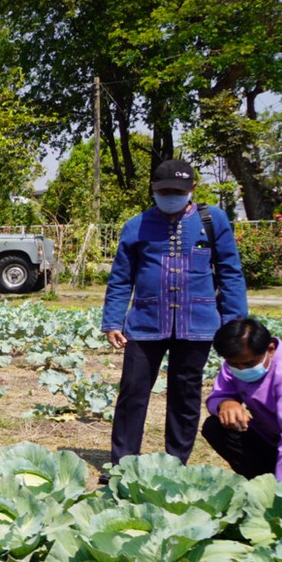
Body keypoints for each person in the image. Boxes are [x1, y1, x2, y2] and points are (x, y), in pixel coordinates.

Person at [103, 158, 247, 466]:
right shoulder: (135, 226)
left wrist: (235, 324)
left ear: (192, 188)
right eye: (164, 190)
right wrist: (113, 320)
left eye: (178, 190)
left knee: (185, 394)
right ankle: (122, 464)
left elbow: (230, 273)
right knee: (132, 394)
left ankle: (175, 463)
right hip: (145, 323)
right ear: (152, 190)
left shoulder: (213, 221)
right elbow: (120, 278)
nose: (171, 195)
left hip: (197, 325)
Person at [202, 317, 282, 479]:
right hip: (272, 440)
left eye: (248, 364)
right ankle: (262, 482)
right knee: (215, 427)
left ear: (271, 349)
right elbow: (217, 396)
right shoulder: (236, 363)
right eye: (233, 364)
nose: (240, 369)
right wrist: (225, 403)